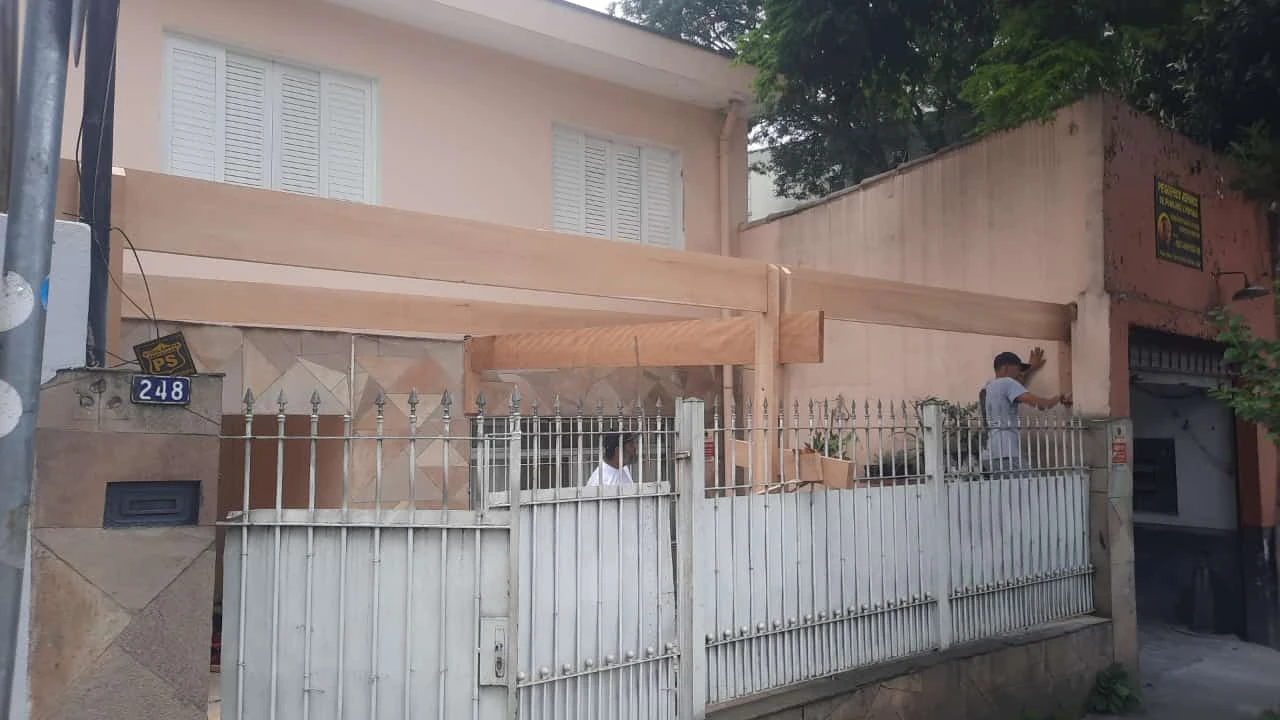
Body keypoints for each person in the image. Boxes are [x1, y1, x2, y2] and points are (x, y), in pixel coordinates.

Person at [980, 351, 1071, 472]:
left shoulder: (987, 387)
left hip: (989, 454)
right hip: (1007, 452)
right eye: (1017, 369)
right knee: (1031, 483)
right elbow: (1041, 405)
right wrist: (1059, 398)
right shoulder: (1008, 383)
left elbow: (1017, 385)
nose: (1019, 373)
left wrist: (1031, 367)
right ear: (1006, 368)